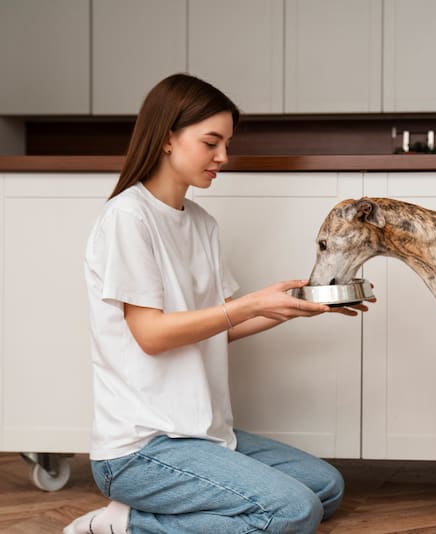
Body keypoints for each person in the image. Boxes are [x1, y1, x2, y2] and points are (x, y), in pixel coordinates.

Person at [65, 73, 366, 534]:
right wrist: (248, 305)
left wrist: (287, 307)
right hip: (141, 448)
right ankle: (125, 525)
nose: (223, 157)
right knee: (291, 511)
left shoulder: (202, 223)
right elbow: (151, 336)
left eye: (226, 143)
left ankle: (150, 517)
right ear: (167, 139)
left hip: (202, 435)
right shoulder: (129, 218)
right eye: (211, 142)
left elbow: (218, 326)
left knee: (325, 487)